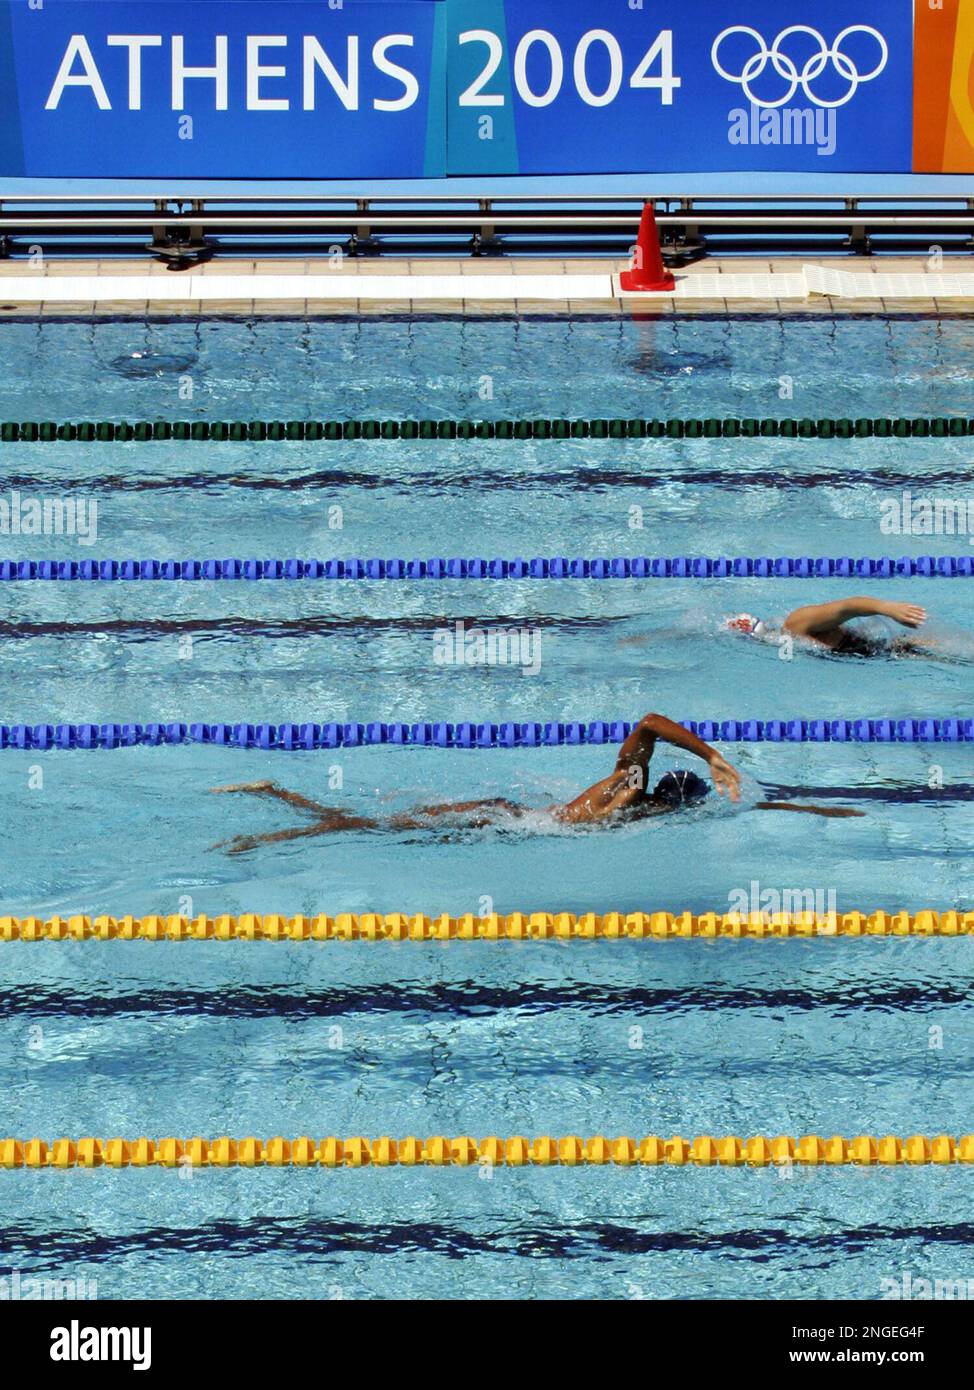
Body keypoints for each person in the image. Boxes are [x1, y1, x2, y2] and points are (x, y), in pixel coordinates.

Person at [211, 711, 859, 854]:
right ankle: (270, 824)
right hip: (505, 821)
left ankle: (275, 799)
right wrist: (716, 754)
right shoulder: (631, 790)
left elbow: (754, 812)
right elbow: (649, 723)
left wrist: (819, 810)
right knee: (371, 829)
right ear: (672, 799)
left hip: (513, 819)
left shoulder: (644, 807)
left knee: (374, 826)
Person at [727, 597, 928, 655]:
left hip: (898, 650)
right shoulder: (794, 644)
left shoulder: (796, 623)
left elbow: (847, 607)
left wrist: (888, 609)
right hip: (886, 654)